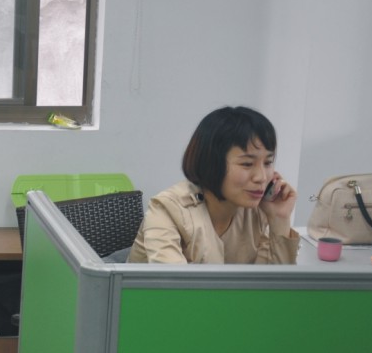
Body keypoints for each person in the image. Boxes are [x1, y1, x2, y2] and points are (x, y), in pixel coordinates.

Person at [128, 106, 300, 264]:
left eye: (268, 163)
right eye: (247, 164)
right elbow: (173, 285)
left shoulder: (256, 210)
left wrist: (280, 220)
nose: (261, 177)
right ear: (211, 163)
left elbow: (272, 282)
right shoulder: (168, 209)